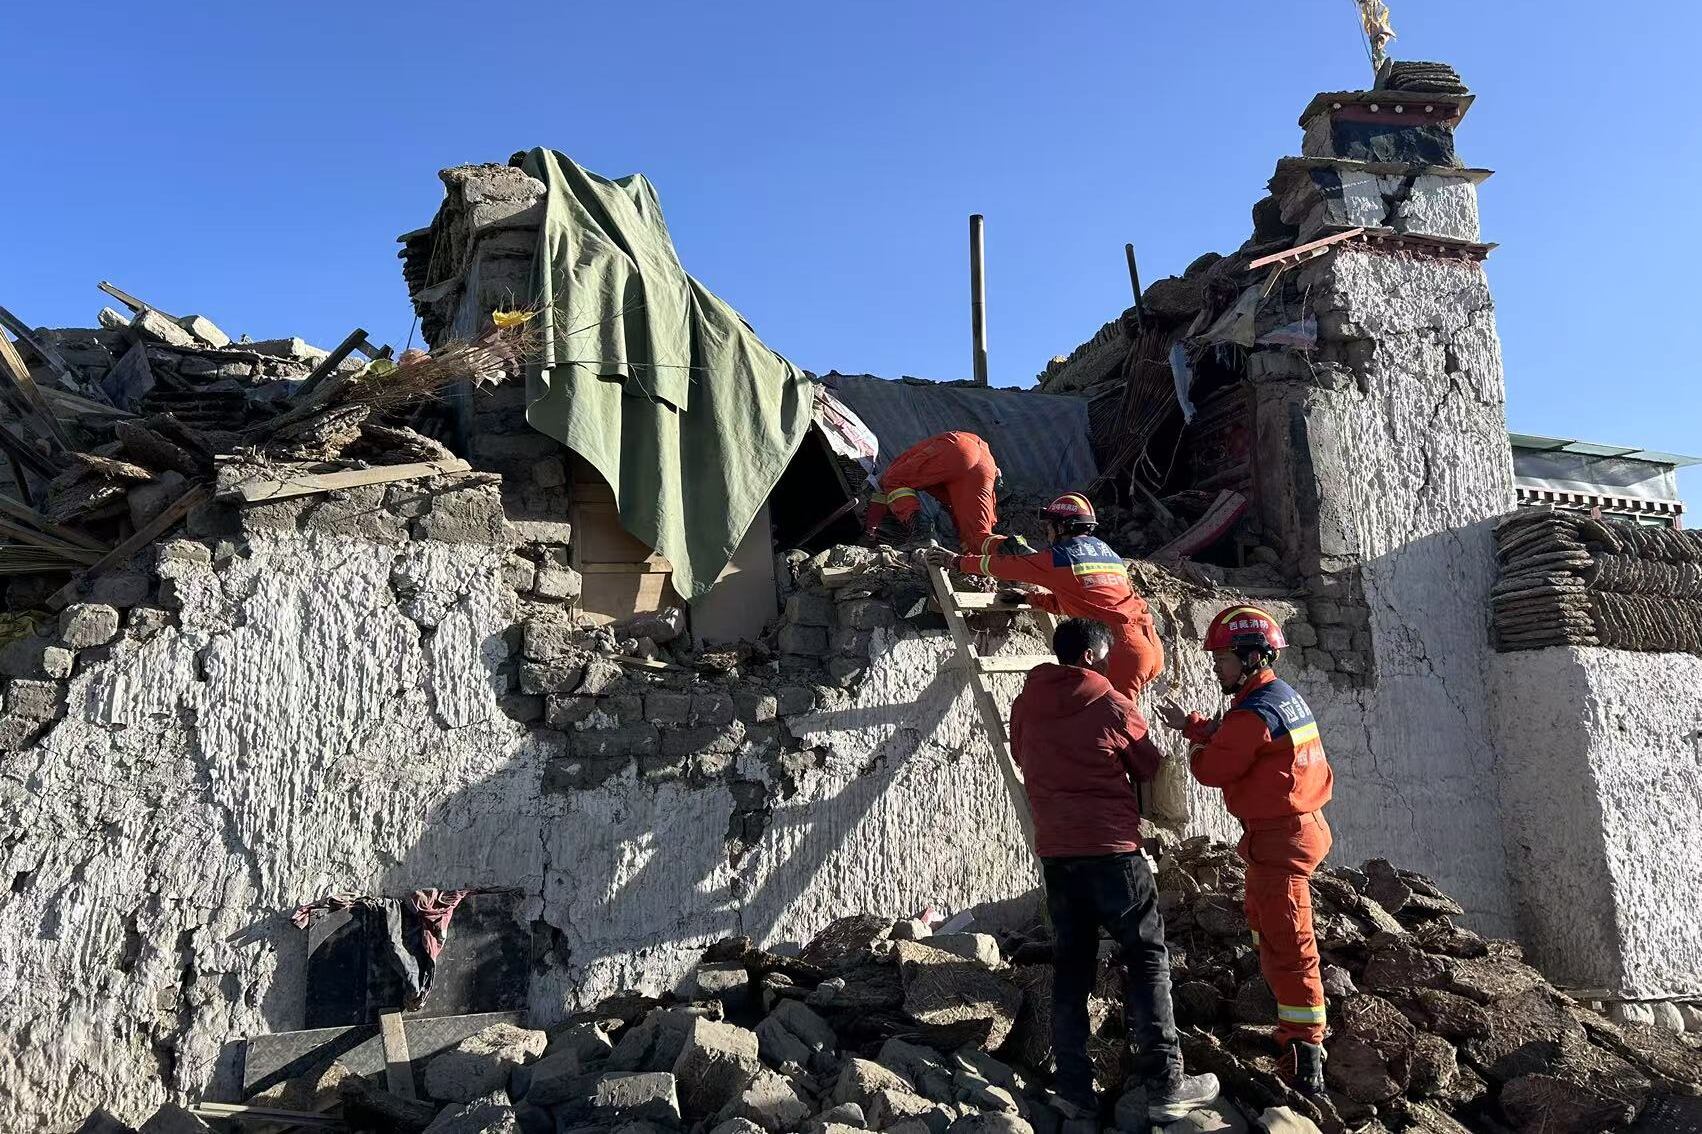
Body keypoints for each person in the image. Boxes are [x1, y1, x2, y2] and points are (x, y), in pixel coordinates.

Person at [1010, 617, 1220, 1124]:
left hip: (1058, 855)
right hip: (1114, 853)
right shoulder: (1109, 704)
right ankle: (1166, 1083)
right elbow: (1149, 765)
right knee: (1147, 957)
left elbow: (1020, 754)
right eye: (1105, 657)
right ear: (1087, 657)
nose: (1109, 665)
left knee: (1072, 966)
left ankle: (1074, 1088)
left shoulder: (1025, 703)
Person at [1154, 605, 1334, 1096]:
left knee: (1290, 944)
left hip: (1282, 840)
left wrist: (1192, 750)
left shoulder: (1256, 710)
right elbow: (1241, 740)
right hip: (1287, 832)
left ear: (1253, 657)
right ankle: (1290, 1026)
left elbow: (1215, 767)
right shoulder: (1274, 698)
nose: (1216, 666)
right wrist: (1193, 725)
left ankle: (1305, 1052)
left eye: (1223, 658)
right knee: (1267, 925)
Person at [924, 493, 1164, 697]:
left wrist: (956, 561)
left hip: (1121, 651)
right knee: (1112, 726)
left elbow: (1005, 565)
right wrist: (1030, 599)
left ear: (1061, 527)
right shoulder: (1108, 554)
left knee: (1110, 734)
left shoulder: (1060, 558)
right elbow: (1084, 602)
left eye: (1049, 526)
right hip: (1149, 645)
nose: (1047, 533)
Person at [862, 431, 1013, 555]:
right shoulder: (943, 487)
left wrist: (870, 530)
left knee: (893, 480)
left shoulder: (893, 468)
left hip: (957, 447)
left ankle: (923, 533)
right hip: (986, 464)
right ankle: (1018, 552)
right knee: (977, 537)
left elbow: (883, 488)